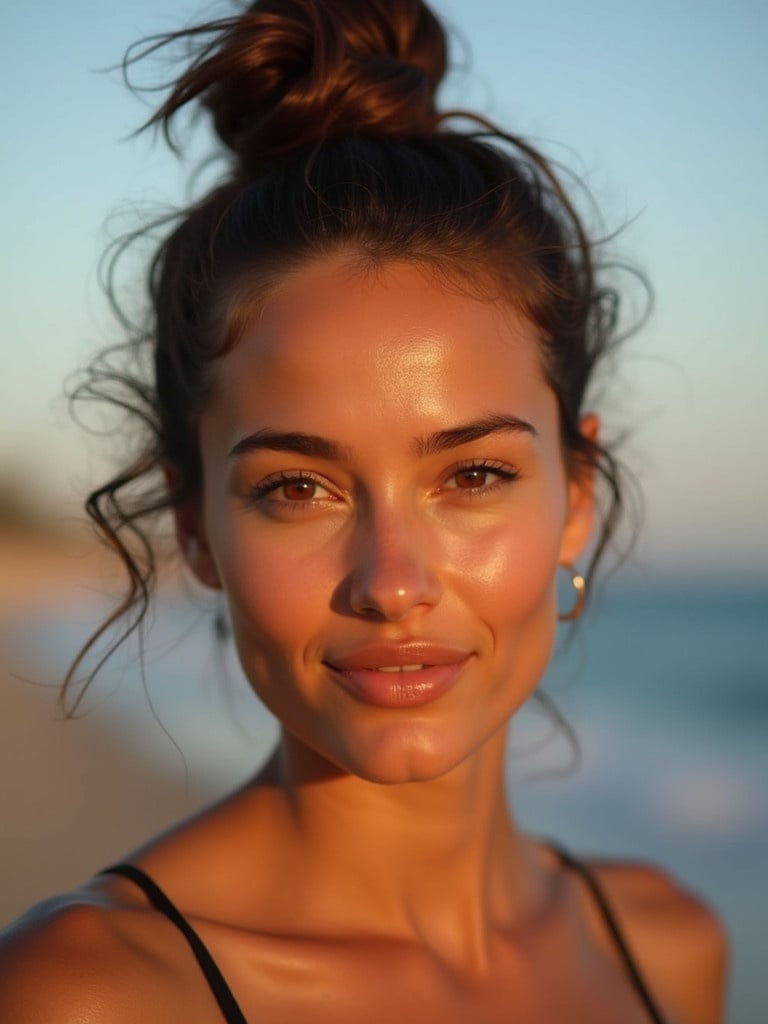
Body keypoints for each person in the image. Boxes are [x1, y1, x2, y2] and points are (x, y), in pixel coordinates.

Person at [0, 0, 727, 1020]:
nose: (393, 582)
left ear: (577, 498)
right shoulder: (88, 995)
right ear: (197, 523)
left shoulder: (668, 949)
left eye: (473, 476)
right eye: (298, 488)